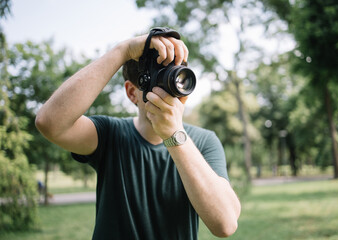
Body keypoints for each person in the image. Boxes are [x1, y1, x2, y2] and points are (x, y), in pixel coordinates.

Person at [35, 28, 241, 239]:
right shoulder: (110, 134)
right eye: (160, 79)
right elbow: (49, 122)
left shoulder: (203, 142)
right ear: (132, 92)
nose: (171, 91)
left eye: (176, 76)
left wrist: (174, 134)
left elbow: (225, 224)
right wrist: (123, 50)